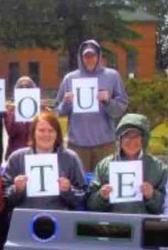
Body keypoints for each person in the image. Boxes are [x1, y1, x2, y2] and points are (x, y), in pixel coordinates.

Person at [55, 39, 130, 172]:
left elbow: (122, 105)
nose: (89, 59)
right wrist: (66, 103)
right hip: (77, 144)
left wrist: (108, 101)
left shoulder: (112, 76)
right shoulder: (70, 79)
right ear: (81, 57)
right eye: (86, 56)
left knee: (106, 184)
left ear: (99, 56)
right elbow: (58, 110)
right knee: (80, 184)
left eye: (92, 56)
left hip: (105, 143)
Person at [3, 110, 87, 213]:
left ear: (57, 134)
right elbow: (4, 197)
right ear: (33, 133)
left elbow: (83, 196)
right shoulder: (16, 158)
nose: (46, 134)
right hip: (25, 216)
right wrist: (17, 189)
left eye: (51, 130)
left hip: (59, 216)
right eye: (41, 130)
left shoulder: (71, 158)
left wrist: (68, 191)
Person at [86, 113, 168, 214]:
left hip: (144, 226)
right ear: (119, 139)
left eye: (136, 136)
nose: (131, 141)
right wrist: (101, 196)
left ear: (144, 139)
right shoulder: (104, 165)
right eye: (126, 136)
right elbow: (90, 205)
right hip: (111, 226)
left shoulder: (159, 168)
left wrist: (152, 195)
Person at [3, 75, 38, 162]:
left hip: (35, 153)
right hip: (15, 153)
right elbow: (11, 132)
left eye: (28, 87)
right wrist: (15, 113)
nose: (25, 89)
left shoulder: (39, 110)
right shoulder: (10, 112)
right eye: (21, 87)